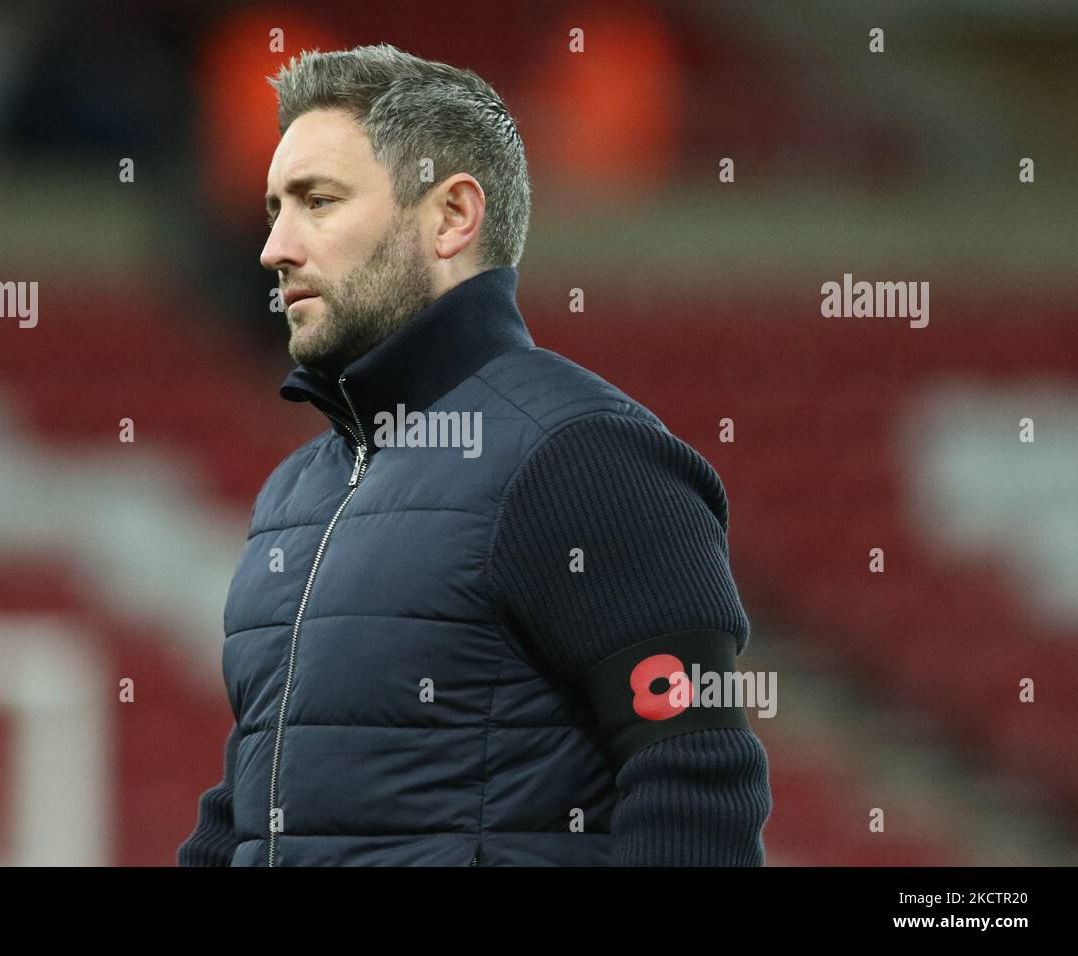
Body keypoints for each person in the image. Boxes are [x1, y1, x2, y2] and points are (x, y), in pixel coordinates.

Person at [178, 43, 771, 866]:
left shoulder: (582, 457)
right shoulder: (296, 493)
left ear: (453, 217)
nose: (275, 247)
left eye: (317, 201)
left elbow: (694, 779)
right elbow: (246, 813)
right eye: (275, 207)